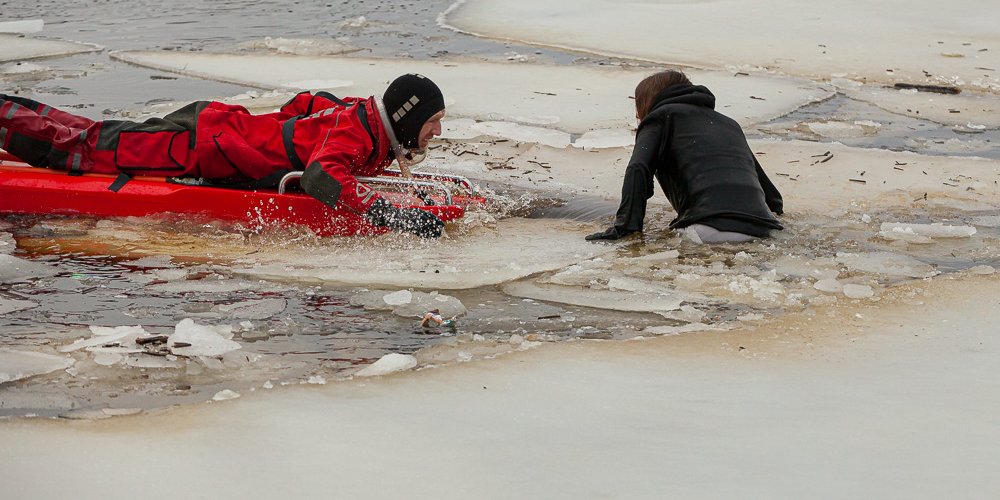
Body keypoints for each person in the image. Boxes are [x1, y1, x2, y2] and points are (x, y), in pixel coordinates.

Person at [0, 73, 447, 237]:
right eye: (432, 121)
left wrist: (286, 131)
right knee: (83, 146)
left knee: (90, 134)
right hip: (198, 146)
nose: (437, 132)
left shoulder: (362, 120)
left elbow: (307, 103)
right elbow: (320, 179)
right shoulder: (354, 133)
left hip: (217, 131)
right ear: (406, 118)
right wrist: (391, 215)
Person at [586, 70, 783, 244]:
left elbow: (638, 168)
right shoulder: (730, 124)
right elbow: (770, 194)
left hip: (708, 230)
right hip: (765, 231)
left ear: (646, 104)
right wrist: (777, 213)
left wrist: (625, 228)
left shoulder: (661, 116)